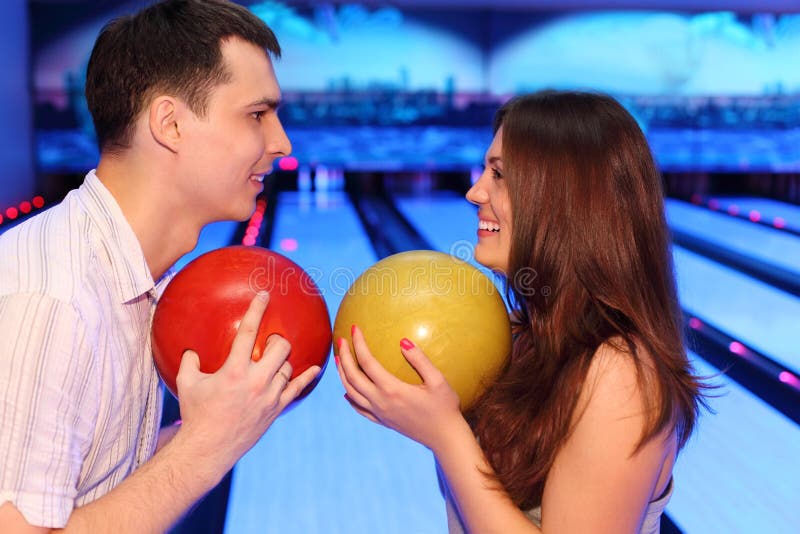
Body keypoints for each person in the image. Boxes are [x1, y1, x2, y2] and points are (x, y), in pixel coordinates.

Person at [0, 1, 320, 532]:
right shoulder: (51, 301)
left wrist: (232, 418)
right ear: (169, 123)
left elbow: (96, 475)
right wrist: (205, 447)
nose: (281, 143)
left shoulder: (127, 277)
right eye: (257, 115)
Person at [336, 90, 706, 533]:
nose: (474, 192)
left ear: (565, 198)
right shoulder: (516, 337)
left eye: (499, 175)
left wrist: (446, 434)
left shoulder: (621, 376)